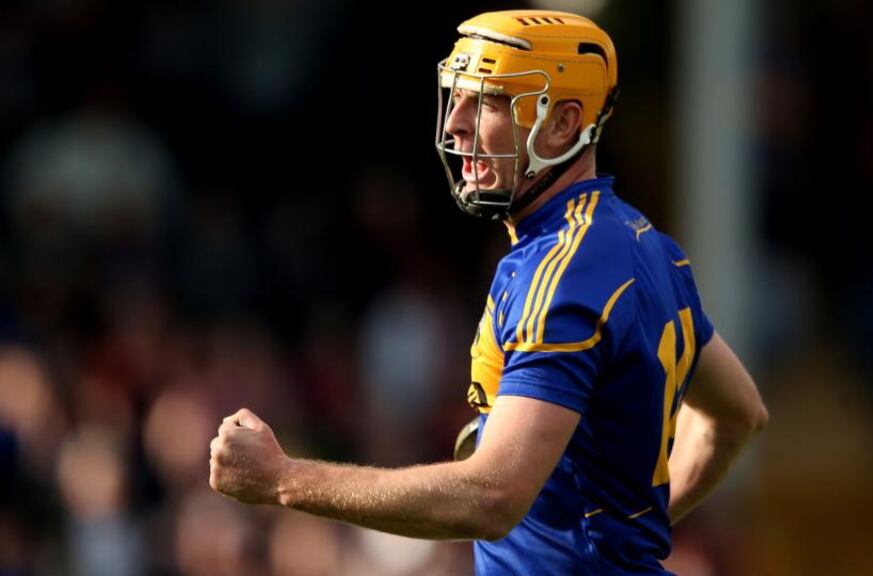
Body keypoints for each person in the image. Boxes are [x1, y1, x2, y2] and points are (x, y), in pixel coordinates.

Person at [209, 10, 768, 574]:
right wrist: (632, 534)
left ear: (563, 124)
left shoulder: (564, 272)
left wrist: (283, 480)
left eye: (491, 102)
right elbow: (738, 415)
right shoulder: (646, 245)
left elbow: (492, 497)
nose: (455, 123)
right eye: (457, 97)